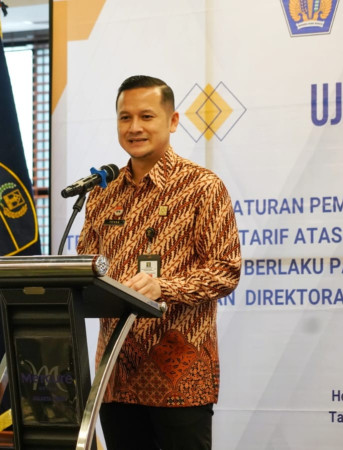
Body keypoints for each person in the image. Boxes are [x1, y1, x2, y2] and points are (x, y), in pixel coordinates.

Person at [77, 75, 242, 449]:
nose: (134, 127)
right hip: (116, 374)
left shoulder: (202, 187)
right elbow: (87, 266)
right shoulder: (101, 193)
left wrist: (162, 287)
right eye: (125, 117)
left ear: (173, 121)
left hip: (179, 374)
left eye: (146, 116)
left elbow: (225, 270)